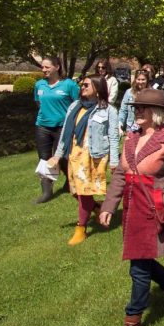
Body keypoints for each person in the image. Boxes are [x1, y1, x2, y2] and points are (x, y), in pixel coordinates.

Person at [98, 89, 164, 326]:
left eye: (143, 108)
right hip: (131, 210)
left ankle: (132, 323)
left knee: (138, 269)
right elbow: (120, 175)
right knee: (142, 260)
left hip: (154, 211)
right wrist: (108, 206)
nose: (137, 111)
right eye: (136, 107)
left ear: (157, 113)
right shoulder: (130, 138)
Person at [48, 75, 119, 245]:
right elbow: (66, 133)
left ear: (97, 87)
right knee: (75, 190)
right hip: (74, 155)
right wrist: (57, 155)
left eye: (86, 84)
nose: (82, 87)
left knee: (84, 192)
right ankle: (96, 208)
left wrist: (115, 160)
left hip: (93, 156)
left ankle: (81, 229)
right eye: (82, 84)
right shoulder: (75, 106)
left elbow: (114, 137)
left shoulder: (108, 110)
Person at [33, 56, 80, 203]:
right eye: (42, 67)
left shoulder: (69, 85)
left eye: (47, 67)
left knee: (63, 158)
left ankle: (70, 181)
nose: (44, 70)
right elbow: (38, 103)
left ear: (57, 67)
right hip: (42, 126)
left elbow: (78, 104)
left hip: (63, 127)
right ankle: (47, 192)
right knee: (44, 159)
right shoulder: (39, 85)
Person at [119, 70, 151, 135]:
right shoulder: (129, 92)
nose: (140, 82)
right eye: (138, 79)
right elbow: (123, 110)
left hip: (147, 126)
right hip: (131, 126)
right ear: (135, 80)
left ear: (147, 80)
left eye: (143, 79)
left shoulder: (152, 92)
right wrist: (120, 124)